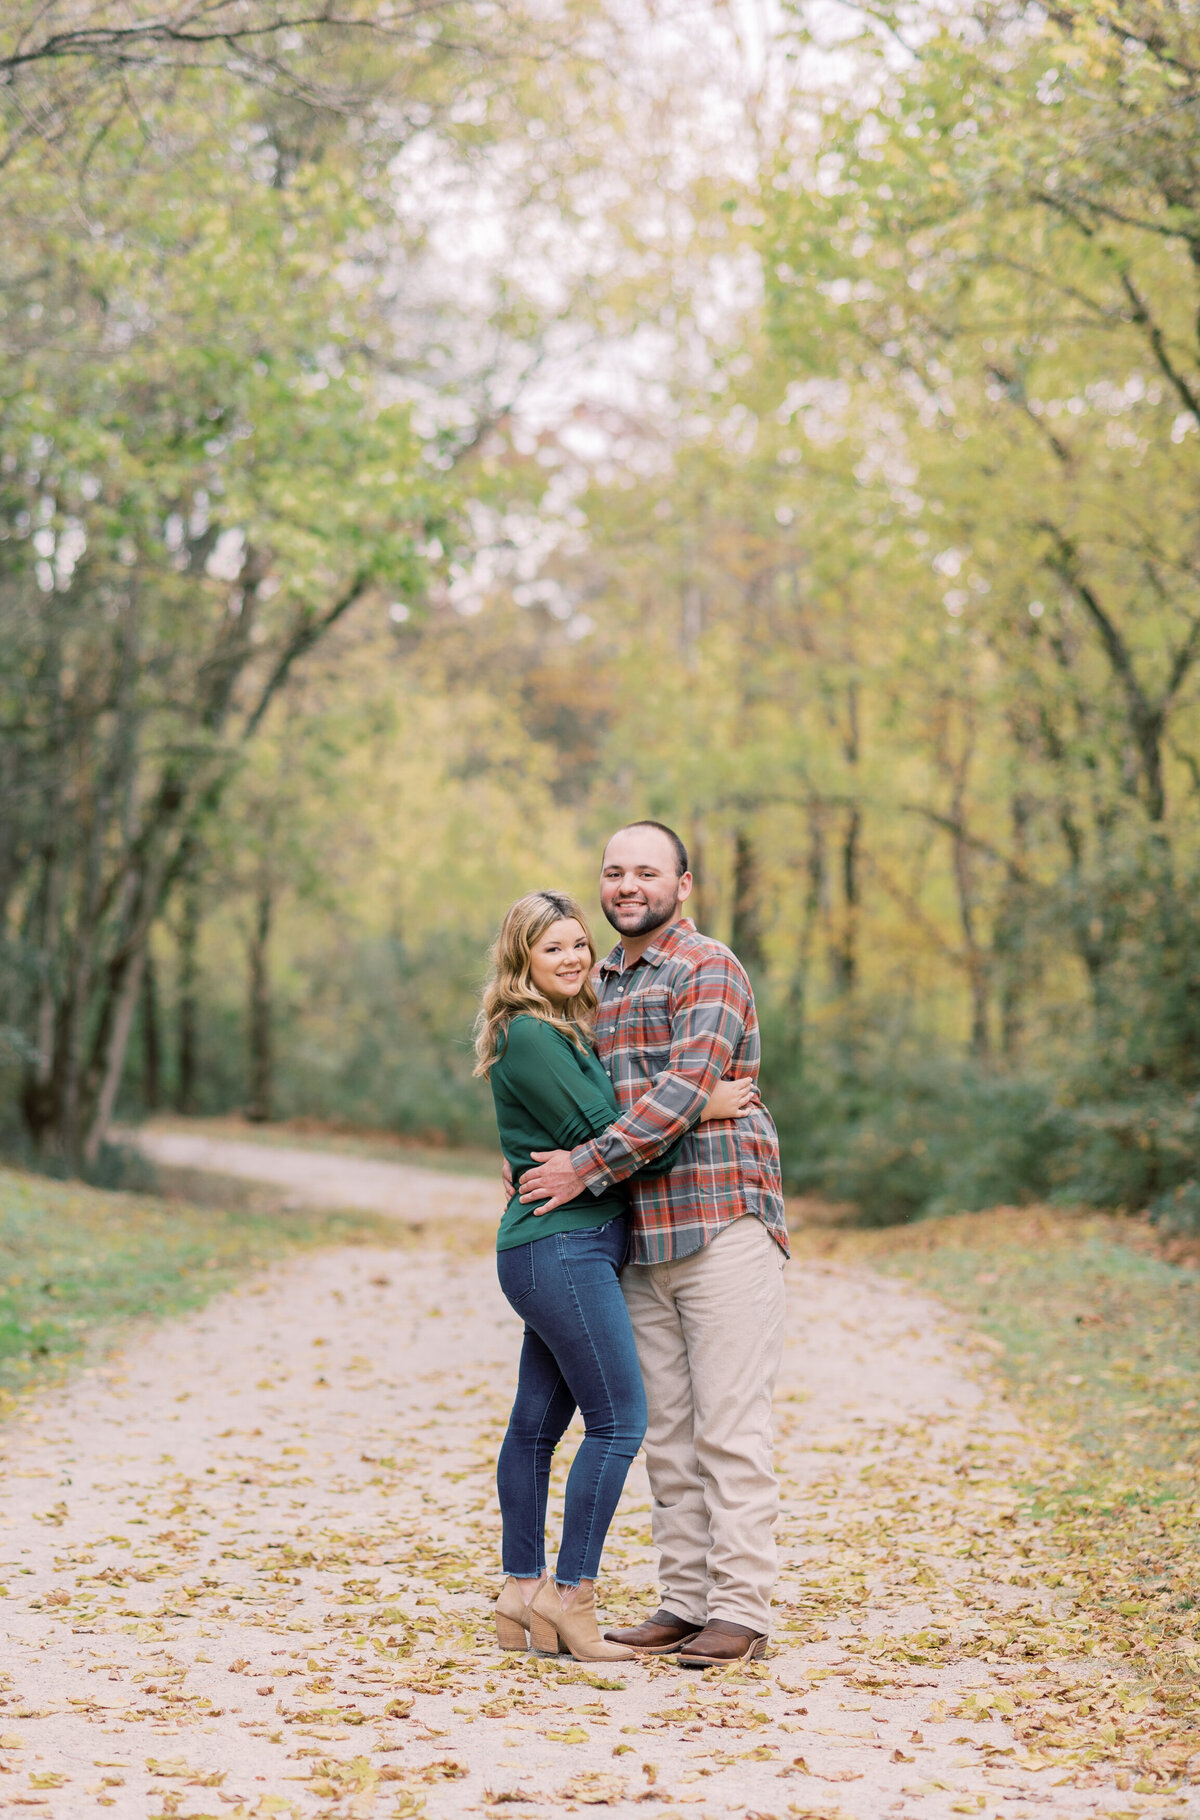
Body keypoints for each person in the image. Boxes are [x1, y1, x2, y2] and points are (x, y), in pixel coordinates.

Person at [517, 823, 789, 1666]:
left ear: (684, 883)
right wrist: (534, 1153)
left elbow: (678, 1090)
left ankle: (741, 1608)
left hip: (719, 1222)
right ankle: (684, 1600)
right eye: (614, 871)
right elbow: (566, 1084)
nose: (628, 884)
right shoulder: (590, 981)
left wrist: (584, 1163)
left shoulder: (709, 966)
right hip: (634, 1232)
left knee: (729, 1427)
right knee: (663, 1432)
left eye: (647, 871)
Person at [476, 889, 752, 1664]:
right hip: (563, 1247)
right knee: (621, 1421)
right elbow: (621, 1142)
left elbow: (593, 1137)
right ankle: (573, 1601)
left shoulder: (556, 1033)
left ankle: (520, 1592)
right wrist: (701, 1108)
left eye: (576, 945)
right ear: (520, 959)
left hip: (556, 1248)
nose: (570, 959)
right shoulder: (532, 1035)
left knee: (536, 1424)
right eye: (550, 947)